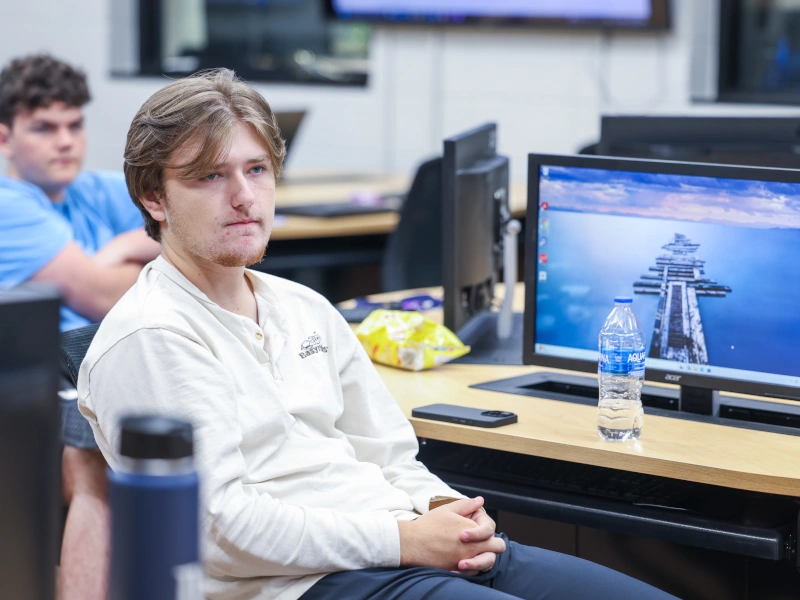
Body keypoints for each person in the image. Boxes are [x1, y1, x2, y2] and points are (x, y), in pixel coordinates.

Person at [78, 69, 677, 600]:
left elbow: (389, 454)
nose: (243, 197)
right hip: (307, 581)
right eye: (210, 176)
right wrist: (407, 540)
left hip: (397, 547)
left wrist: (447, 517)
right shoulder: (152, 336)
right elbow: (220, 532)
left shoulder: (303, 307)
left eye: (256, 170)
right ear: (154, 197)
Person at [0, 54, 160, 600]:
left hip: (117, 360)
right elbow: (103, 297)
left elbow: (182, 234)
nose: (64, 141)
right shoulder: (6, 206)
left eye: (74, 125)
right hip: (41, 388)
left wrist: (111, 252)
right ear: (5, 139)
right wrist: (126, 264)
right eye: (43, 128)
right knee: (95, 453)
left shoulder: (92, 190)